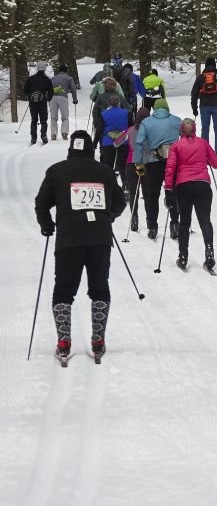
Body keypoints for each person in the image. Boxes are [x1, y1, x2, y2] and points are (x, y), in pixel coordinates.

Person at [34, 130, 127, 360]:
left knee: (63, 290)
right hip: (99, 239)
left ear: (70, 149)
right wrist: (108, 216)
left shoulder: (56, 171)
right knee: (100, 288)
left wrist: (47, 225)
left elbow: (41, 203)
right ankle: (98, 340)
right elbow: (120, 202)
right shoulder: (104, 171)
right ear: (91, 149)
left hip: (69, 239)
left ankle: (64, 341)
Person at [164, 118, 217, 272]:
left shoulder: (176, 146)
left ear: (181, 131)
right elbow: (216, 164)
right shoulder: (203, 143)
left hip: (184, 186)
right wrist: (205, 159)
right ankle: (209, 252)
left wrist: (168, 188)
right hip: (203, 185)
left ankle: (183, 256)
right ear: (195, 129)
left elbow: (170, 168)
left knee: (184, 222)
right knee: (205, 220)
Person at [134, 98, 182, 240]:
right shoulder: (176, 120)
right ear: (167, 108)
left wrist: (138, 163)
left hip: (153, 161)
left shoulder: (146, 122)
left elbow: (139, 142)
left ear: (154, 109)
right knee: (173, 192)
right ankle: (174, 224)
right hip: (173, 161)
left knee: (152, 195)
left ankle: (152, 227)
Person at [190, 56, 217, 157]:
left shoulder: (200, 77)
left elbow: (194, 93)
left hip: (204, 106)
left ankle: (205, 151)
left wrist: (194, 108)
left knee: (205, 128)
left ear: (206, 65)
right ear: (215, 65)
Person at [123, 107, 150, 233]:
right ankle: (150, 220)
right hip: (145, 163)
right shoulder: (150, 130)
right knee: (147, 192)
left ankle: (134, 218)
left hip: (131, 162)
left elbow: (117, 142)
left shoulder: (130, 129)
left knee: (134, 192)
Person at [97, 98, 132, 191]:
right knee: (123, 165)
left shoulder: (103, 114)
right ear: (119, 104)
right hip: (123, 140)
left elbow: (99, 130)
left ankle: (109, 186)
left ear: (109, 104)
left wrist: (94, 143)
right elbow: (131, 127)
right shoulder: (126, 113)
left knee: (108, 165)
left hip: (108, 142)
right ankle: (125, 184)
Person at [24, 61, 54, 145]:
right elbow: (51, 91)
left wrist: (30, 96)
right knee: (43, 120)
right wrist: (48, 98)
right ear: (44, 68)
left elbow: (25, 90)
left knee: (34, 120)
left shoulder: (31, 79)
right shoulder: (47, 79)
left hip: (32, 102)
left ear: (37, 68)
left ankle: (33, 138)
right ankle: (44, 136)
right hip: (42, 102)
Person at [49, 64, 78, 141]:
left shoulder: (53, 78)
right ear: (66, 71)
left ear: (59, 71)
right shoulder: (69, 78)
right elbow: (73, 88)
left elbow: (49, 88)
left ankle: (53, 134)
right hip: (63, 97)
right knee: (65, 117)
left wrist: (48, 97)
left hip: (53, 97)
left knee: (53, 117)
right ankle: (64, 133)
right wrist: (75, 99)